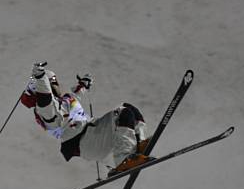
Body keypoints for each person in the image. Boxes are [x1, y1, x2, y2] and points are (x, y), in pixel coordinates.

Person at [20, 62, 152, 175]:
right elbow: (45, 99)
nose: (57, 85)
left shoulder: (63, 101)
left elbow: (75, 95)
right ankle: (125, 160)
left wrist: (83, 84)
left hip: (91, 135)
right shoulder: (44, 109)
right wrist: (40, 77)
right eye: (54, 82)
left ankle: (138, 145)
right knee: (124, 114)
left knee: (129, 109)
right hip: (85, 141)